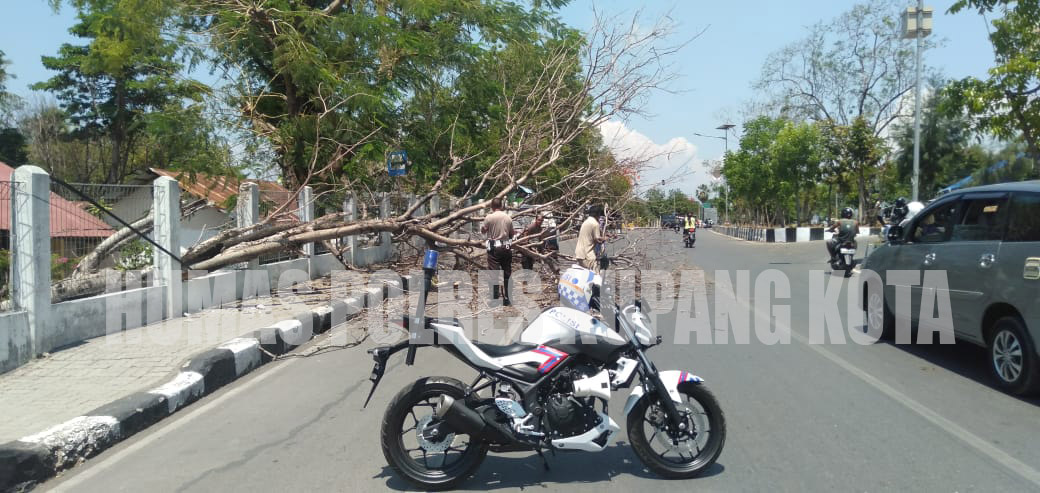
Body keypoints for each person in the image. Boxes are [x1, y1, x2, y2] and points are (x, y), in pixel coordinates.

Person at [481, 198, 514, 305]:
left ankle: (495, 299)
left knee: (494, 274)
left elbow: (483, 230)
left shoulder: (489, 217)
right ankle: (507, 298)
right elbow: (511, 234)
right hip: (506, 247)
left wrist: (487, 230)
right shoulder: (508, 217)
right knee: (507, 273)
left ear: (492, 206)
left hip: (494, 248)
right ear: (501, 206)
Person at [575, 205, 607, 273]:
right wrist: (606, 238)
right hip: (588, 255)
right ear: (598, 214)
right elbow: (598, 239)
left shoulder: (586, 222)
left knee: (585, 276)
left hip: (579, 253)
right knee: (595, 277)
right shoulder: (595, 224)